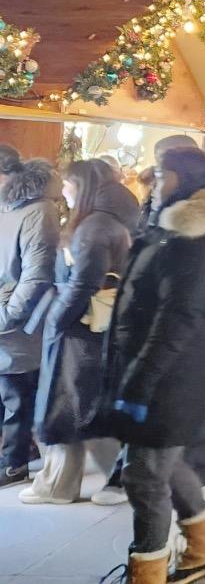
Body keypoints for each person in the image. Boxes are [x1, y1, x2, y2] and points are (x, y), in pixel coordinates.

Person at [101, 147, 205, 583]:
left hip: (170, 379)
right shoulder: (169, 229)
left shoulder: (195, 243)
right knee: (166, 465)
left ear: (184, 181)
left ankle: (147, 572)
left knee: (143, 478)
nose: (153, 183)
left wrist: (138, 386)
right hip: (164, 374)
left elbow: (176, 324)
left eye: (161, 176)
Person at [22, 160, 129, 506]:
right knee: (83, 405)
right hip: (92, 325)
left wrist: (56, 318)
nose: (63, 190)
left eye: (67, 184)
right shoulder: (108, 220)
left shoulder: (94, 226)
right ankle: (99, 480)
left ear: (82, 186)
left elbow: (84, 281)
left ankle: (58, 485)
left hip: (80, 326)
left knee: (65, 405)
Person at [0, 149, 59, 491]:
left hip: (18, 320)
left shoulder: (38, 209)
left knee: (16, 394)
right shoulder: (9, 207)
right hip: (8, 313)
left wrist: (8, 315)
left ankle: (14, 463)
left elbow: (36, 274)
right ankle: (18, 452)